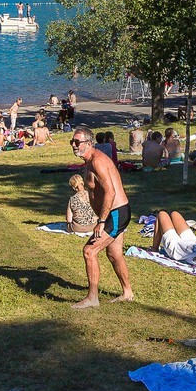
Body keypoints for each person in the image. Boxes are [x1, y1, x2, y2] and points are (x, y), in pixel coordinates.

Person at [70, 127, 133, 309]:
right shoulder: (90, 160)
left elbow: (110, 192)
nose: (74, 145)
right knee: (114, 254)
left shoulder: (98, 161)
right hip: (115, 213)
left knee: (89, 251)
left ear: (89, 143)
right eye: (72, 142)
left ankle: (92, 298)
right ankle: (127, 292)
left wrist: (102, 221)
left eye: (77, 142)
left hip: (115, 214)